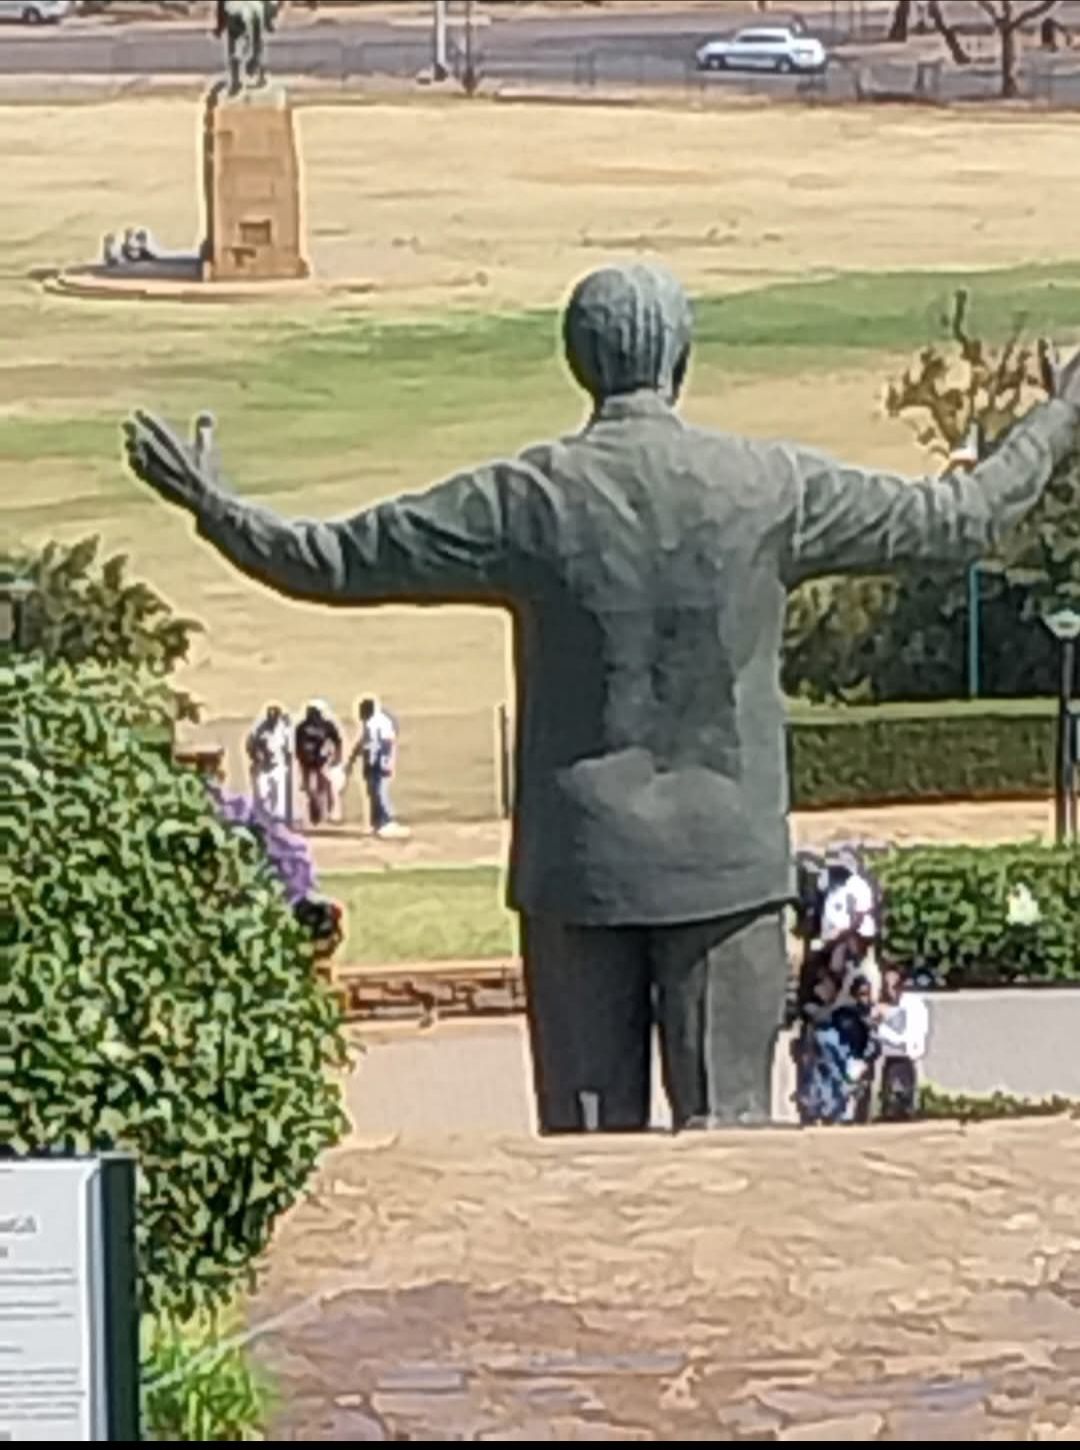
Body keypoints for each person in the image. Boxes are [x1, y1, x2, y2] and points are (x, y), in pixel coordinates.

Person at [123, 263, 1080, 1135]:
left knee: (583, 1160)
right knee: (729, 1142)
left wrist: (218, 507)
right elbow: (964, 519)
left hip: (579, 868)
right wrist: (1061, 413)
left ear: (577, 362)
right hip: (726, 865)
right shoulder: (767, 487)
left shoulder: (528, 499)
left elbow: (327, 561)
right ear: (683, 360)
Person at [347, 697, 408, 839]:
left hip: (381, 761)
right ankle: (377, 824)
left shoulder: (381, 722)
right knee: (373, 793)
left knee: (380, 791)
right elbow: (363, 743)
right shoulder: (370, 723)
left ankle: (387, 822)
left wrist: (390, 762)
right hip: (371, 761)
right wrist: (352, 760)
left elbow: (389, 743)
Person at [875, 964, 930, 1121]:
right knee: (889, 1103)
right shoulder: (884, 1005)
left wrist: (881, 1027)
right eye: (887, 985)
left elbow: (908, 1039)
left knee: (902, 1099)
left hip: (904, 1058)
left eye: (894, 985)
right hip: (890, 1057)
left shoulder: (912, 1004)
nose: (890, 989)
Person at [293, 700, 342, 829]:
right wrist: (298, 758)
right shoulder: (302, 727)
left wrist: (337, 756)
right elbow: (296, 744)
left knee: (324, 786)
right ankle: (315, 813)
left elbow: (337, 741)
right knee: (310, 789)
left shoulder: (326, 726)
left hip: (320, 760)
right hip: (306, 761)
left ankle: (327, 812)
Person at [246, 702, 291, 821]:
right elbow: (250, 744)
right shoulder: (259, 729)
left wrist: (287, 761)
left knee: (280, 795)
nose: (273, 720)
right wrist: (256, 755)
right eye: (271, 717)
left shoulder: (284, 729)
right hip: (263, 767)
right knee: (263, 795)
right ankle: (263, 818)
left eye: (275, 717)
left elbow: (288, 748)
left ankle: (279, 820)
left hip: (279, 765)